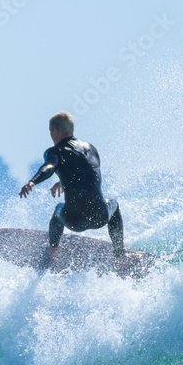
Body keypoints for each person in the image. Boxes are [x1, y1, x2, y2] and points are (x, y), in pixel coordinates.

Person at [19, 111, 125, 261]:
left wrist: (32, 181)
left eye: (50, 132)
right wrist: (63, 181)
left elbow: (49, 166)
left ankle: (53, 251)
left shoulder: (54, 151)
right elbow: (89, 174)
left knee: (58, 210)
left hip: (74, 220)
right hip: (100, 216)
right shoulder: (91, 148)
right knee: (114, 204)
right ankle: (120, 256)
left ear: (55, 131)